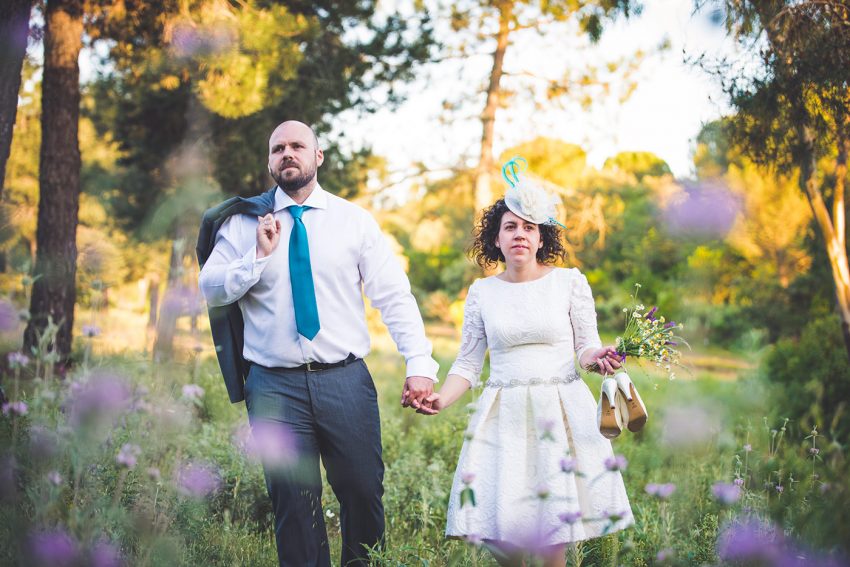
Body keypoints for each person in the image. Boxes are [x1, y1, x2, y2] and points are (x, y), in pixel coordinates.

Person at [197, 120, 439, 567]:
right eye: (278, 148)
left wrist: (419, 362)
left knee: (364, 490)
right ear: (270, 162)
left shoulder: (354, 221)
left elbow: (393, 296)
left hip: (345, 380)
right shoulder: (244, 225)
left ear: (317, 156)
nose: (287, 153)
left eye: (297, 146)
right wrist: (257, 256)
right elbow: (211, 290)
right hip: (273, 385)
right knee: (293, 502)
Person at [424, 162, 634, 567]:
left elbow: (586, 346)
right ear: (496, 240)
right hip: (504, 415)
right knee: (506, 537)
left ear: (541, 238)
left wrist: (598, 358)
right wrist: (439, 399)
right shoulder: (482, 293)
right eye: (509, 227)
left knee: (553, 531)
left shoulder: (569, 282)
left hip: (559, 411)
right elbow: (467, 365)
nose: (519, 233)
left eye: (529, 227)